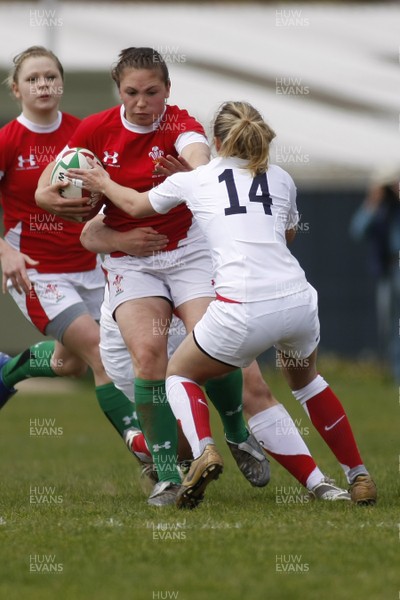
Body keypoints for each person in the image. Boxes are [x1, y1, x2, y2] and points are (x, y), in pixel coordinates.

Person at [68, 101, 376, 508]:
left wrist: (102, 182)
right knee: (308, 384)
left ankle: (205, 449)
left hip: (244, 307)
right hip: (298, 300)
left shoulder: (198, 179)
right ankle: (352, 477)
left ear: (215, 142)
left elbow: (134, 206)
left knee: (178, 374)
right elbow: (285, 237)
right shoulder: (282, 178)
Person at [35, 47, 274, 506]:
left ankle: (238, 433)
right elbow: (49, 183)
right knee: (148, 354)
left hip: (187, 252)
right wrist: (51, 199)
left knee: (216, 341)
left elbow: (200, 156)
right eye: (131, 92)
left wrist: (194, 173)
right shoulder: (96, 129)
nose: (142, 102)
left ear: (168, 90)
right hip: (132, 262)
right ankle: (168, 477)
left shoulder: (179, 124)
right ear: (118, 90)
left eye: (152, 91)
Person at [0, 46, 159, 466]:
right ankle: (147, 449)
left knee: (69, 365)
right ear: (16, 89)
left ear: (62, 83)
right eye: (33, 79)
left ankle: (5, 372)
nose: (43, 85)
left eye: (50, 76)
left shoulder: (82, 133)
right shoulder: (7, 140)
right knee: (102, 353)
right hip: (36, 272)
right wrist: (4, 253)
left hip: (92, 267)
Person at [349, 165, 400, 382]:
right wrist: (373, 200)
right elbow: (357, 231)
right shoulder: (379, 209)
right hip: (387, 271)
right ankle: (397, 375)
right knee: (389, 325)